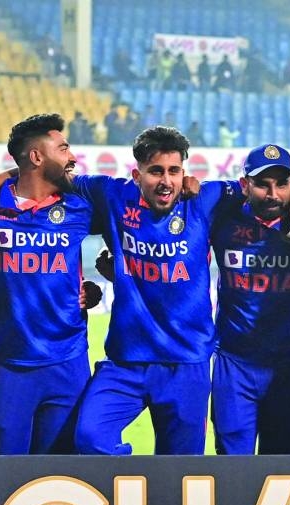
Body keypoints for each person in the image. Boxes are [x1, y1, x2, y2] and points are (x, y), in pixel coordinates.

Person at [70, 126, 242, 455]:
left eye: (174, 171)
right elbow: (46, 178)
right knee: (90, 438)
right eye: (156, 171)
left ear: (184, 173)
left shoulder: (204, 200)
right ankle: (135, 498)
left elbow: (263, 189)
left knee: (182, 471)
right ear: (137, 174)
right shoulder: (113, 196)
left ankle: (160, 504)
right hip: (125, 362)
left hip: (186, 365)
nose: (166, 181)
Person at [0, 114, 103, 454]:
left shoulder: (79, 207)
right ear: (36, 157)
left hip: (67, 363)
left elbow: (133, 227)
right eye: (64, 148)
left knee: (60, 476)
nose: (73, 158)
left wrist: (100, 280)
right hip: (12, 366)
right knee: (3, 479)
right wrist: (11, 173)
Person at [210, 145, 290, 455]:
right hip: (236, 364)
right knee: (232, 472)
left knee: (286, 470)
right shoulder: (223, 218)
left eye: (282, 184)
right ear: (245, 184)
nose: (273, 193)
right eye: (263, 184)